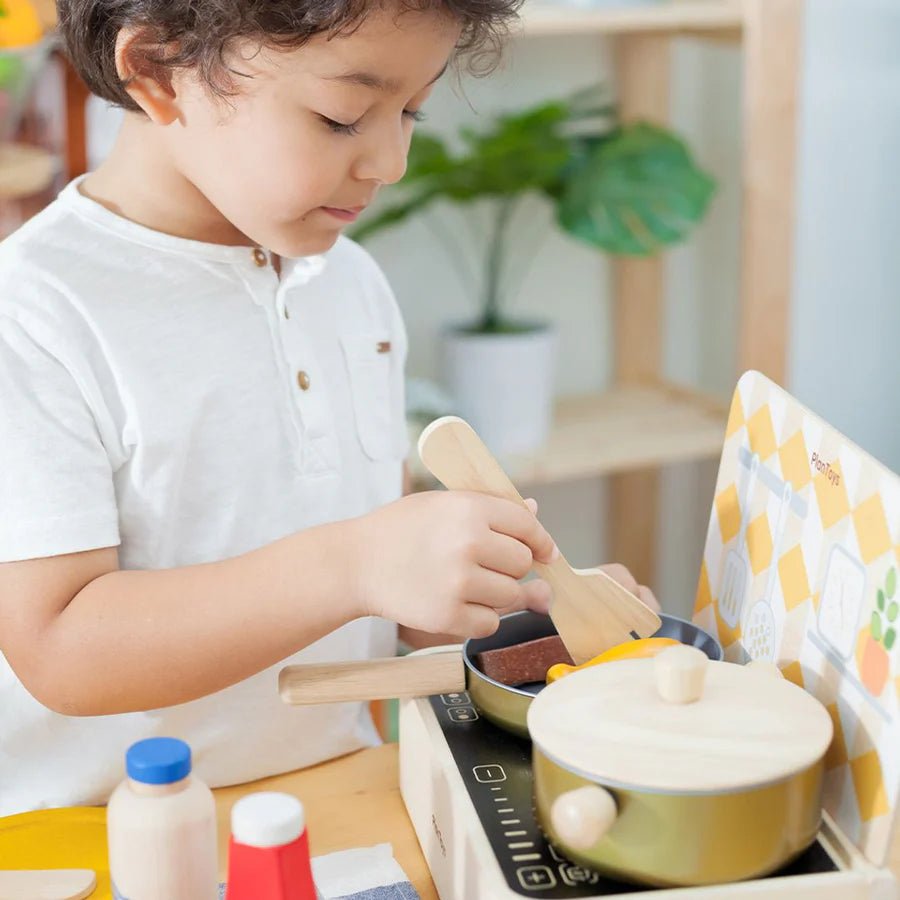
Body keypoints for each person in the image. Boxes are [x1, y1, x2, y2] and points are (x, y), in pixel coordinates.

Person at [0, 0, 657, 815]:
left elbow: (363, 562)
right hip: (106, 833)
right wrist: (355, 563)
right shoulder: (33, 313)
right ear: (159, 72)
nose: (390, 161)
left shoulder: (348, 282)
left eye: (411, 109)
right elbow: (59, 649)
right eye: (342, 117)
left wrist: (500, 601)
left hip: (345, 800)